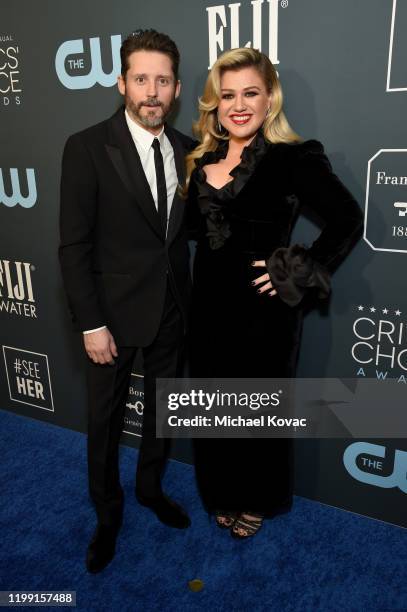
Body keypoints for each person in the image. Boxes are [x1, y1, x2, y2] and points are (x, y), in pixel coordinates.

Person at [185, 48, 363, 539]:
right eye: (228, 95)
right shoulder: (201, 163)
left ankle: (258, 498)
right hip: (209, 308)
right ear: (214, 104)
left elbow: (348, 217)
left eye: (250, 93)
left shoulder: (292, 158)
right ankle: (222, 490)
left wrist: (299, 267)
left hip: (264, 312)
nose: (238, 105)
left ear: (269, 100)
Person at [59, 29, 196, 573]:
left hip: (172, 311)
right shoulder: (87, 146)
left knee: (162, 414)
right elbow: (74, 245)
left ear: (177, 88)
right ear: (121, 83)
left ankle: (149, 490)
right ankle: (108, 513)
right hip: (111, 319)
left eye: (162, 80)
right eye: (141, 78)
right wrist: (91, 323)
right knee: (105, 422)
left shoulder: (188, 149)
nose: (152, 91)